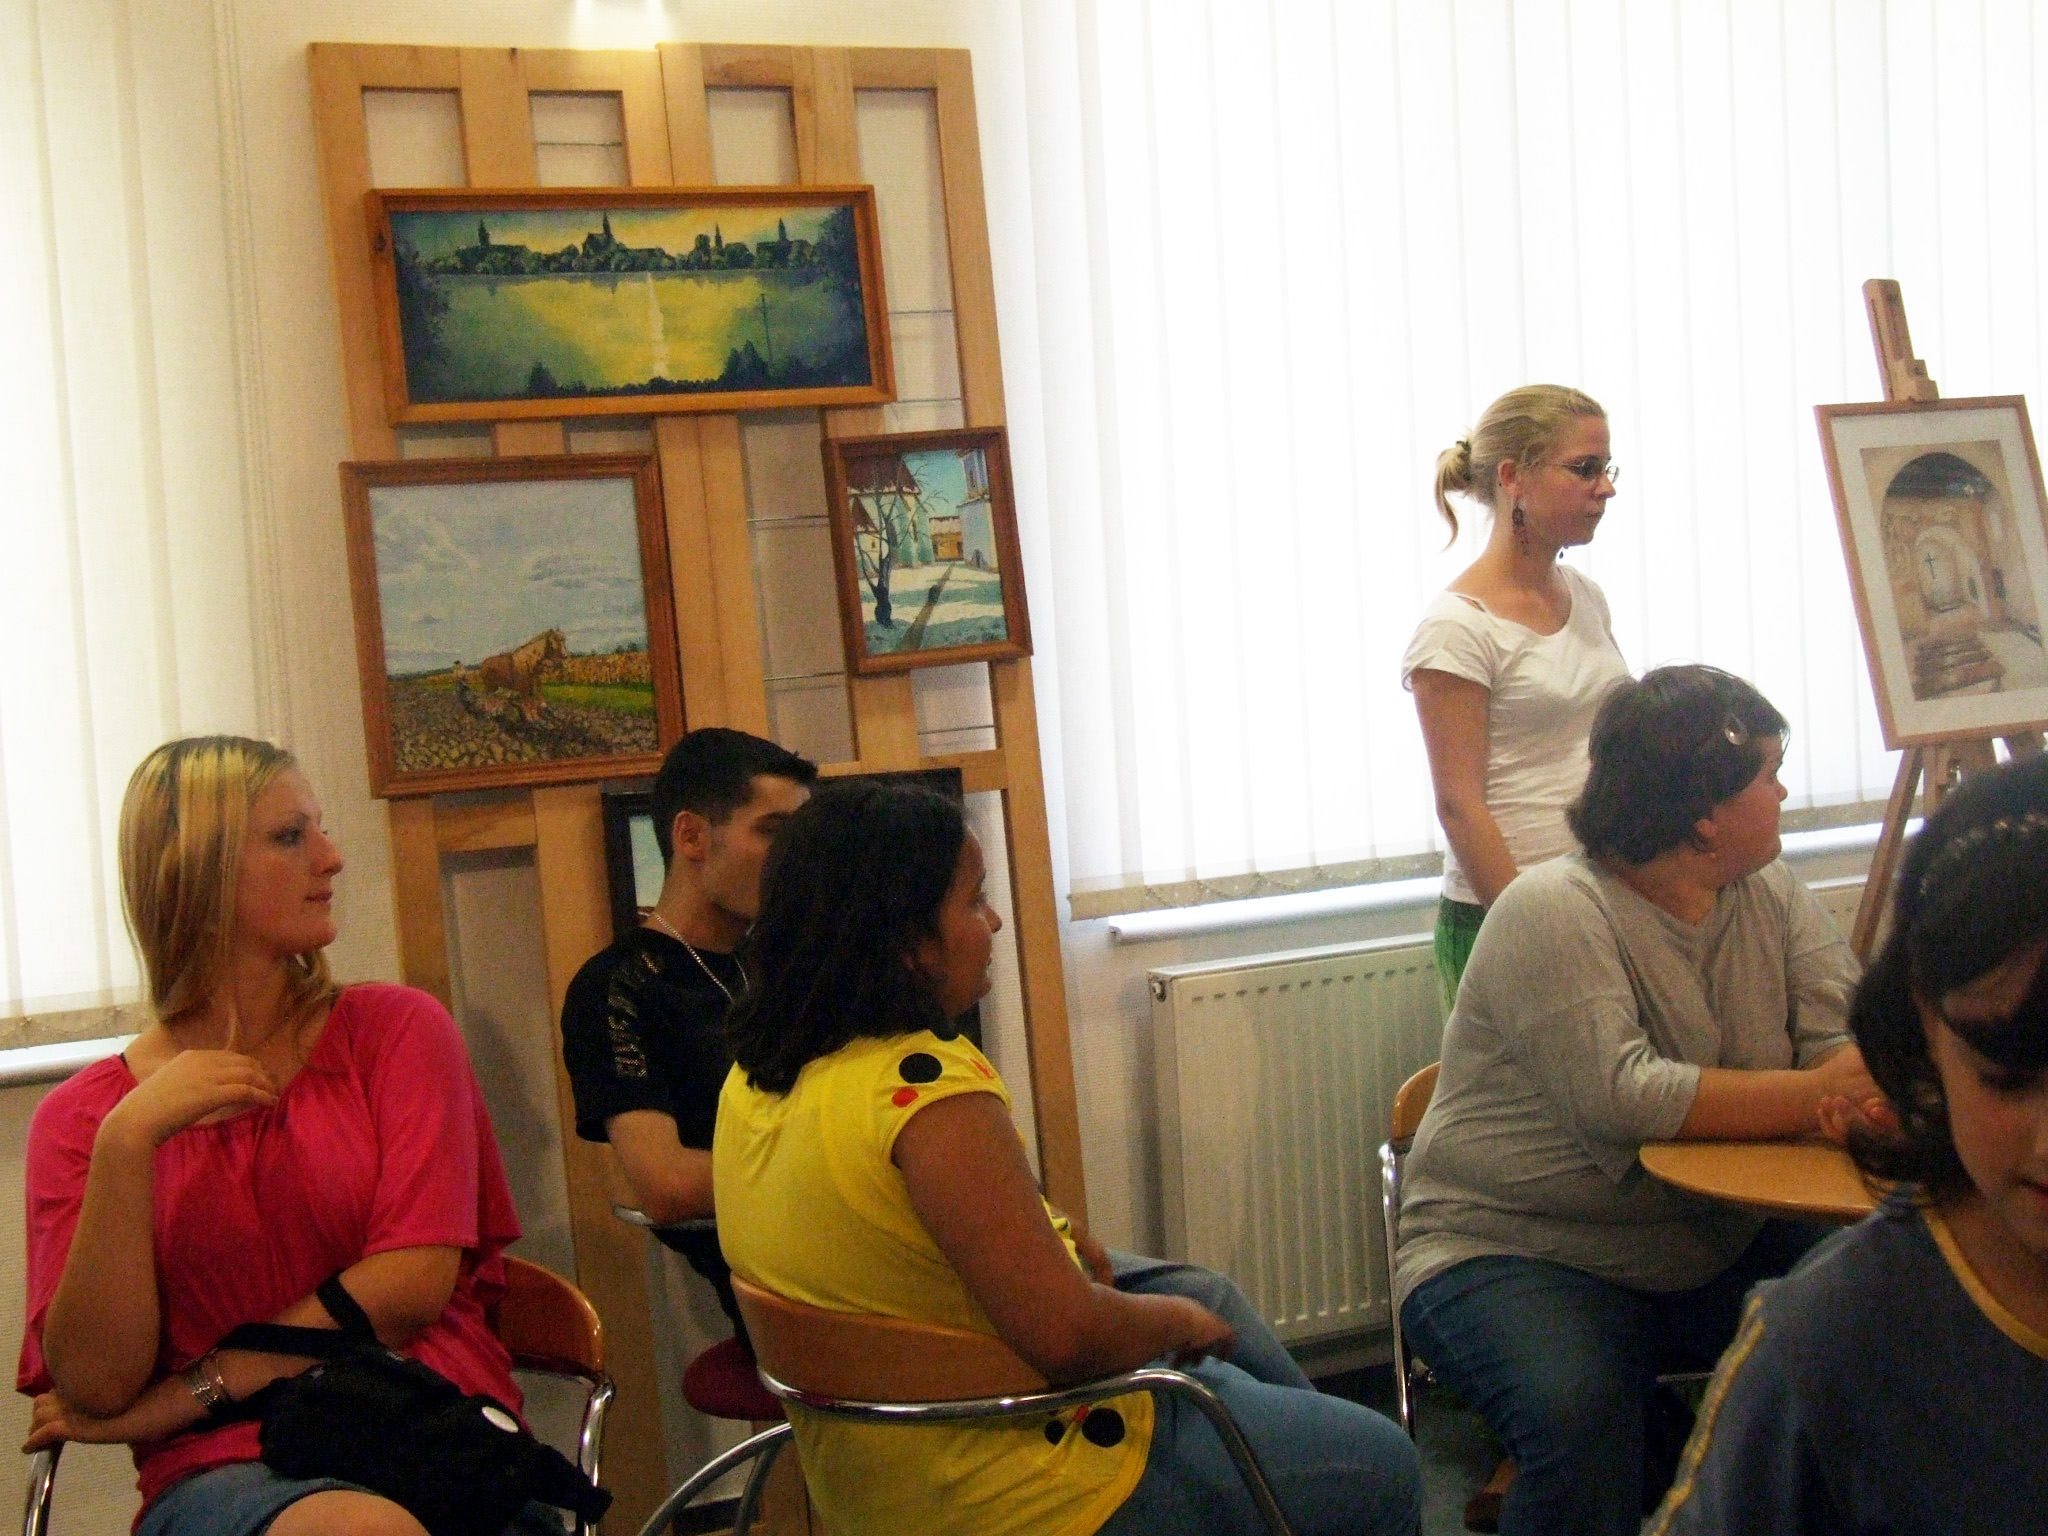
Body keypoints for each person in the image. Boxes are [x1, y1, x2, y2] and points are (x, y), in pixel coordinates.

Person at [715, 781, 1422, 1536]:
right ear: (906, 942)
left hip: (875, 1475)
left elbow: (895, 1220)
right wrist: (1174, 1321)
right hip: (1014, 1482)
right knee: (1381, 1461)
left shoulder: (755, 1079)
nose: (993, 922)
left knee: (1208, 1295)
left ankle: (1276, 1476)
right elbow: (1070, 1339)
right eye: (973, 902)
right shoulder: (925, 1095)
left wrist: (1054, 1230)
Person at [1393, 665, 1884, 1536]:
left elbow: (1835, 1025)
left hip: (1704, 1234)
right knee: (1578, 1419)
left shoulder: (1768, 889)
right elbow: (1624, 1097)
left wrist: (1852, 1090)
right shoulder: (1553, 908)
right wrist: (1819, 1094)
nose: (1782, 792)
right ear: (1704, 816)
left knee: (1883, 1314)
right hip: (1516, 1248)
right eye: (1769, 774)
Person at [16, 736, 534, 1536]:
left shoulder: (395, 1032)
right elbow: (95, 1387)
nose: (331, 858)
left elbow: (409, 1287)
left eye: (318, 829)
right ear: (196, 871)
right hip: (229, 1465)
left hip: (425, 1424)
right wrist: (127, 1146)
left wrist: (191, 1391)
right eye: (291, 837)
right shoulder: (90, 1121)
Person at [1649, 751, 2048, 1535]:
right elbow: (1623, 1093)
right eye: (2003, 1079)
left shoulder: (1772, 897)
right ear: (1928, 1031)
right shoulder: (1832, 1342)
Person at [559, 727, 818, 1342]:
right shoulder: (616, 986)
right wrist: (847, 1168)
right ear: (692, 836)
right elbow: (666, 1184)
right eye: (773, 833)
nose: (794, 860)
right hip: (788, 1293)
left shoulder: (786, 964)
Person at [1402, 385, 1632, 1011]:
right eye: (1584, 469)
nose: (1605, 489)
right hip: (1504, 913)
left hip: (1597, 897)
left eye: (1607, 469)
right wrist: (1531, 933)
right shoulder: (1458, 628)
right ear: (1512, 478)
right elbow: (1460, 807)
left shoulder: (1585, 596)